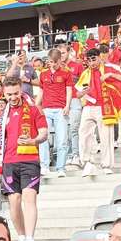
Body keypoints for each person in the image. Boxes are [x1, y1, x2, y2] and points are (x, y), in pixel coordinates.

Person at [0, 76, 48, 241]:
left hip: (30, 159)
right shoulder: (2, 115)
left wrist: (33, 140)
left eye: (16, 93)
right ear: (4, 93)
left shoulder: (32, 108)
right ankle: (22, 237)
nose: (13, 97)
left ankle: (30, 240)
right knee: (14, 202)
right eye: (9, 94)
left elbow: (44, 133)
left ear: (20, 90)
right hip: (9, 162)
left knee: (29, 199)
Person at [75, 48, 121, 177]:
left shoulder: (109, 68)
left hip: (104, 107)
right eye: (89, 60)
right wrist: (83, 93)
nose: (91, 62)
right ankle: (87, 162)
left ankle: (106, 165)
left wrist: (111, 75)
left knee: (106, 136)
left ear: (99, 57)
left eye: (93, 59)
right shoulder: (85, 73)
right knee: (83, 133)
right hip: (89, 106)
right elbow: (77, 93)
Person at [37, 48, 73, 178]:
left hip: (60, 109)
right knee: (43, 138)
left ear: (59, 61)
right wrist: (37, 105)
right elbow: (41, 91)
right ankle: (44, 166)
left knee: (62, 139)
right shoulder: (43, 74)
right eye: (49, 61)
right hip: (46, 109)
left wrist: (67, 106)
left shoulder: (66, 73)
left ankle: (61, 167)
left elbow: (69, 91)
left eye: (53, 62)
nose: (50, 64)